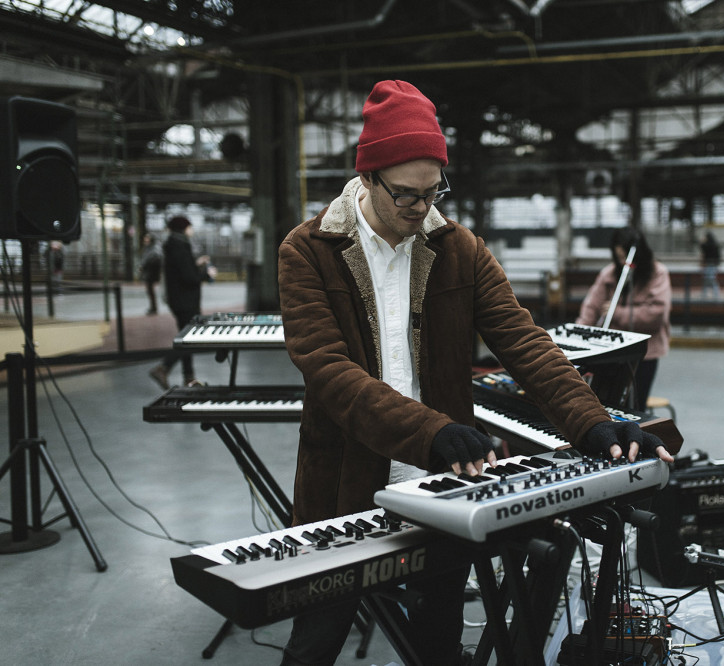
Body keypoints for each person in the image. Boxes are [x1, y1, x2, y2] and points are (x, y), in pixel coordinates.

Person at [276, 80, 672, 666]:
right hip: (344, 485)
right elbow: (329, 371)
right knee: (316, 642)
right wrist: (430, 429)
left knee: (437, 641)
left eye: (433, 192)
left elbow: (524, 343)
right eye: (406, 196)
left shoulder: (459, 248)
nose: (420, 210)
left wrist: (596, 423)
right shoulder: (307, 251)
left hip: (444, 483)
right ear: (367, 178)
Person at [576, 227, 672, 409]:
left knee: (635, 406)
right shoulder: (609, 274)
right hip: (611, 352)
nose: (623, 263)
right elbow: (591, 307)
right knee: (604, 405)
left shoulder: (658, 273)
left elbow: (657, 314)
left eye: (625, 257)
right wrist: (577, 336)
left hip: (645, 354)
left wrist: (618, 311)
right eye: (618, 257)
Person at [148, 216, 216, 389]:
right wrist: (207, 275)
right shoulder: (180, 246)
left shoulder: (172, 245)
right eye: (189, 227)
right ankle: (163, 368)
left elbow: (181, 270)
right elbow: (189, 278)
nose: (191, 230)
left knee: (186, 336)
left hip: (177, 299)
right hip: (185, 301)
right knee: (190, 339)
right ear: (183, 228)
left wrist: (195, 264)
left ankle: (189, 378)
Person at [139, 233, 162, 315]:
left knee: (150, 290)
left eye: (147, 238)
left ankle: (153, 308)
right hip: (149, 271)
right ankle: (153, 307)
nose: (146, 240)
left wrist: (145, 265)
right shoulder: (148, 248)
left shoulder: (153, 248)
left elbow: (154, 257)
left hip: (151, 272)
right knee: (149, 290)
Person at [699, 231, 721, 299]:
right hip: (714, 264)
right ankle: (712, 294)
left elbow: (702, 248)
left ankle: (712, 294)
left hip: (707, 264)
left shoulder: (706, 245)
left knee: (708, 279)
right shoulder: (716, 245)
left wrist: (702, 241)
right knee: (710, 279)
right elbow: (718, 256)